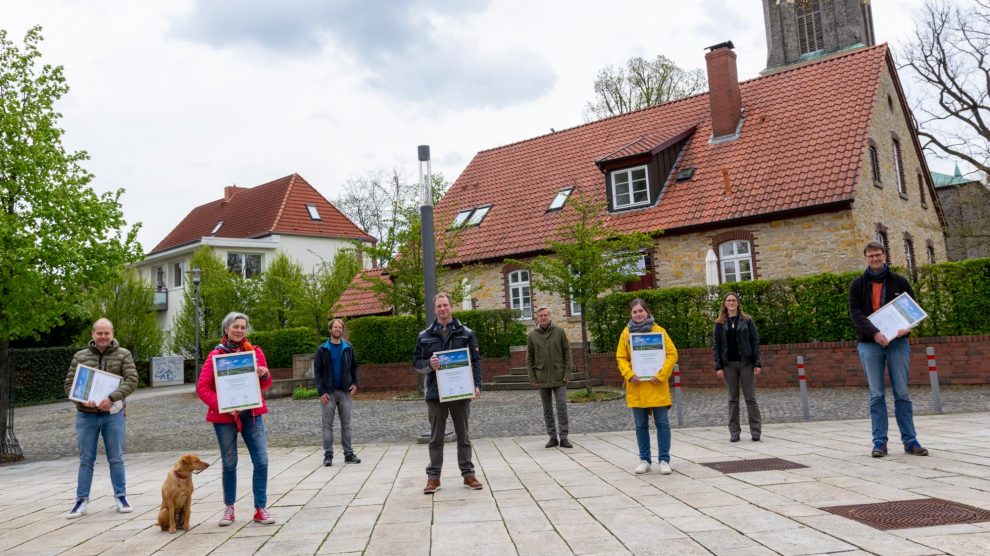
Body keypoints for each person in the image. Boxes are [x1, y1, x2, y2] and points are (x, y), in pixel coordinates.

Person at [849, 242, 929, 458]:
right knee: (876, 395)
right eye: (870, 256)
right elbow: (856, 314)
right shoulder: (857, 285)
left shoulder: (900, 282)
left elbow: (913, 310)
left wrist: (907, 328)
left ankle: (910, 441)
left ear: (884, 255)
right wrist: (875, 333)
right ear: (865, 258)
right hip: (869, 344)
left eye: (878, 255)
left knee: (902, 393)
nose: (875, 259)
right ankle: (879, 442)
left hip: (898, 343)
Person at [197, 312, 277, 526]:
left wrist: (264, 374)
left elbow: (265, 385)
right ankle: (229, 508)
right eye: (235, 326)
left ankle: (260, 509)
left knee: (261, 461)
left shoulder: (254, 352)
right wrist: (223, 405)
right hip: (225, 418)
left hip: (251, 414)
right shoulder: (215, 355)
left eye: (243, 327)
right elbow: (202, 388)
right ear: (226, 329)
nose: (239, 330)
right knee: (229, 463)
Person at [63, 318, 139, 519]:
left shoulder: (124, 354)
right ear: (93, 334)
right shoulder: (80, 356)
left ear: (112, 333)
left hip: (112, 415)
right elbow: (69, 385)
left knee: (116, 458)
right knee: (86, 460)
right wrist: (81, 400)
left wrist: (112, 398)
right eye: (99, 333)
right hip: (86, 416)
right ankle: (81, 501)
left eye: (107, 333)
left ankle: (121, 497)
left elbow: (132, 381)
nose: (103, 337)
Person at [414, 292, 484, 494]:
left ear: (451, 307)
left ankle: (468, 474)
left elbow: (476, 362)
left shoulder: (466, 333)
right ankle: (433, 477)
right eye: (439, 306)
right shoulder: (424, 336)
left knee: (463, 435)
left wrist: (477, 385)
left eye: (445, 305)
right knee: (436, 437)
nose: (442, 309)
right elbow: (417, 363)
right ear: (434, 310)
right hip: (435, 394)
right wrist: (429, 364)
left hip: (460, 393)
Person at [616, 298, 678, 475]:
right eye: (634, 312)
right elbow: (621, 357)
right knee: (640, 425)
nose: (638, 314)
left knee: (662, 424)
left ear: (647, 312)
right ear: (631, 314)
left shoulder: (659, 331)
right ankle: (644, 459)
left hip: (656, 385)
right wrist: (629, 374)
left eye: (640, 311)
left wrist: (661, 374)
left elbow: (672, 354)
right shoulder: (626, 334)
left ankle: (664, 459)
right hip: (637, 386)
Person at [713, 292, 763, 442]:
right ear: (725, 303)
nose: (731, 302)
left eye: (734, 300)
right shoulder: (719, 323)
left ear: (738, 303)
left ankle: (756, 431)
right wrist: (718, 366)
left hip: (746, 363)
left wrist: (757, 363)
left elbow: (755, 341)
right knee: (732, 399)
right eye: (728, 300)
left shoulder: (747, 320)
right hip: (728, 365)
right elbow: (716, 346)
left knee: (750, 398)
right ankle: (734, 432)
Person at [314, 318, 361, 467]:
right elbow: (318, 371)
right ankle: (328, 455)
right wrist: (321, 391)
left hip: (345, 392)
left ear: (342, 330)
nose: (338, 329)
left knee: (346, 425)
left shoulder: (348, 347)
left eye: (340, 327)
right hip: (329, 393)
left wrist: (355, 383)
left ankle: (348, 454)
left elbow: (355, 366)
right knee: (327, 426)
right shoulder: (323, 349)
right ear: (330, 330)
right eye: (335, 327)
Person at [527, 305, 573, 449]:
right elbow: (529, 359)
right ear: (537, 318)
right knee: (547, 409)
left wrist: (567, 373)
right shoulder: (532, 336)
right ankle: (552, 437)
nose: (543, 317)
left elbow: (567, 354)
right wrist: (533, 378)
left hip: (560, 377)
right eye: (541, 316)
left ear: (550, 316)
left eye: (546, 315)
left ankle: (564, 437)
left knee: (561, 406)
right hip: (542, 378)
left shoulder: (559, 332)